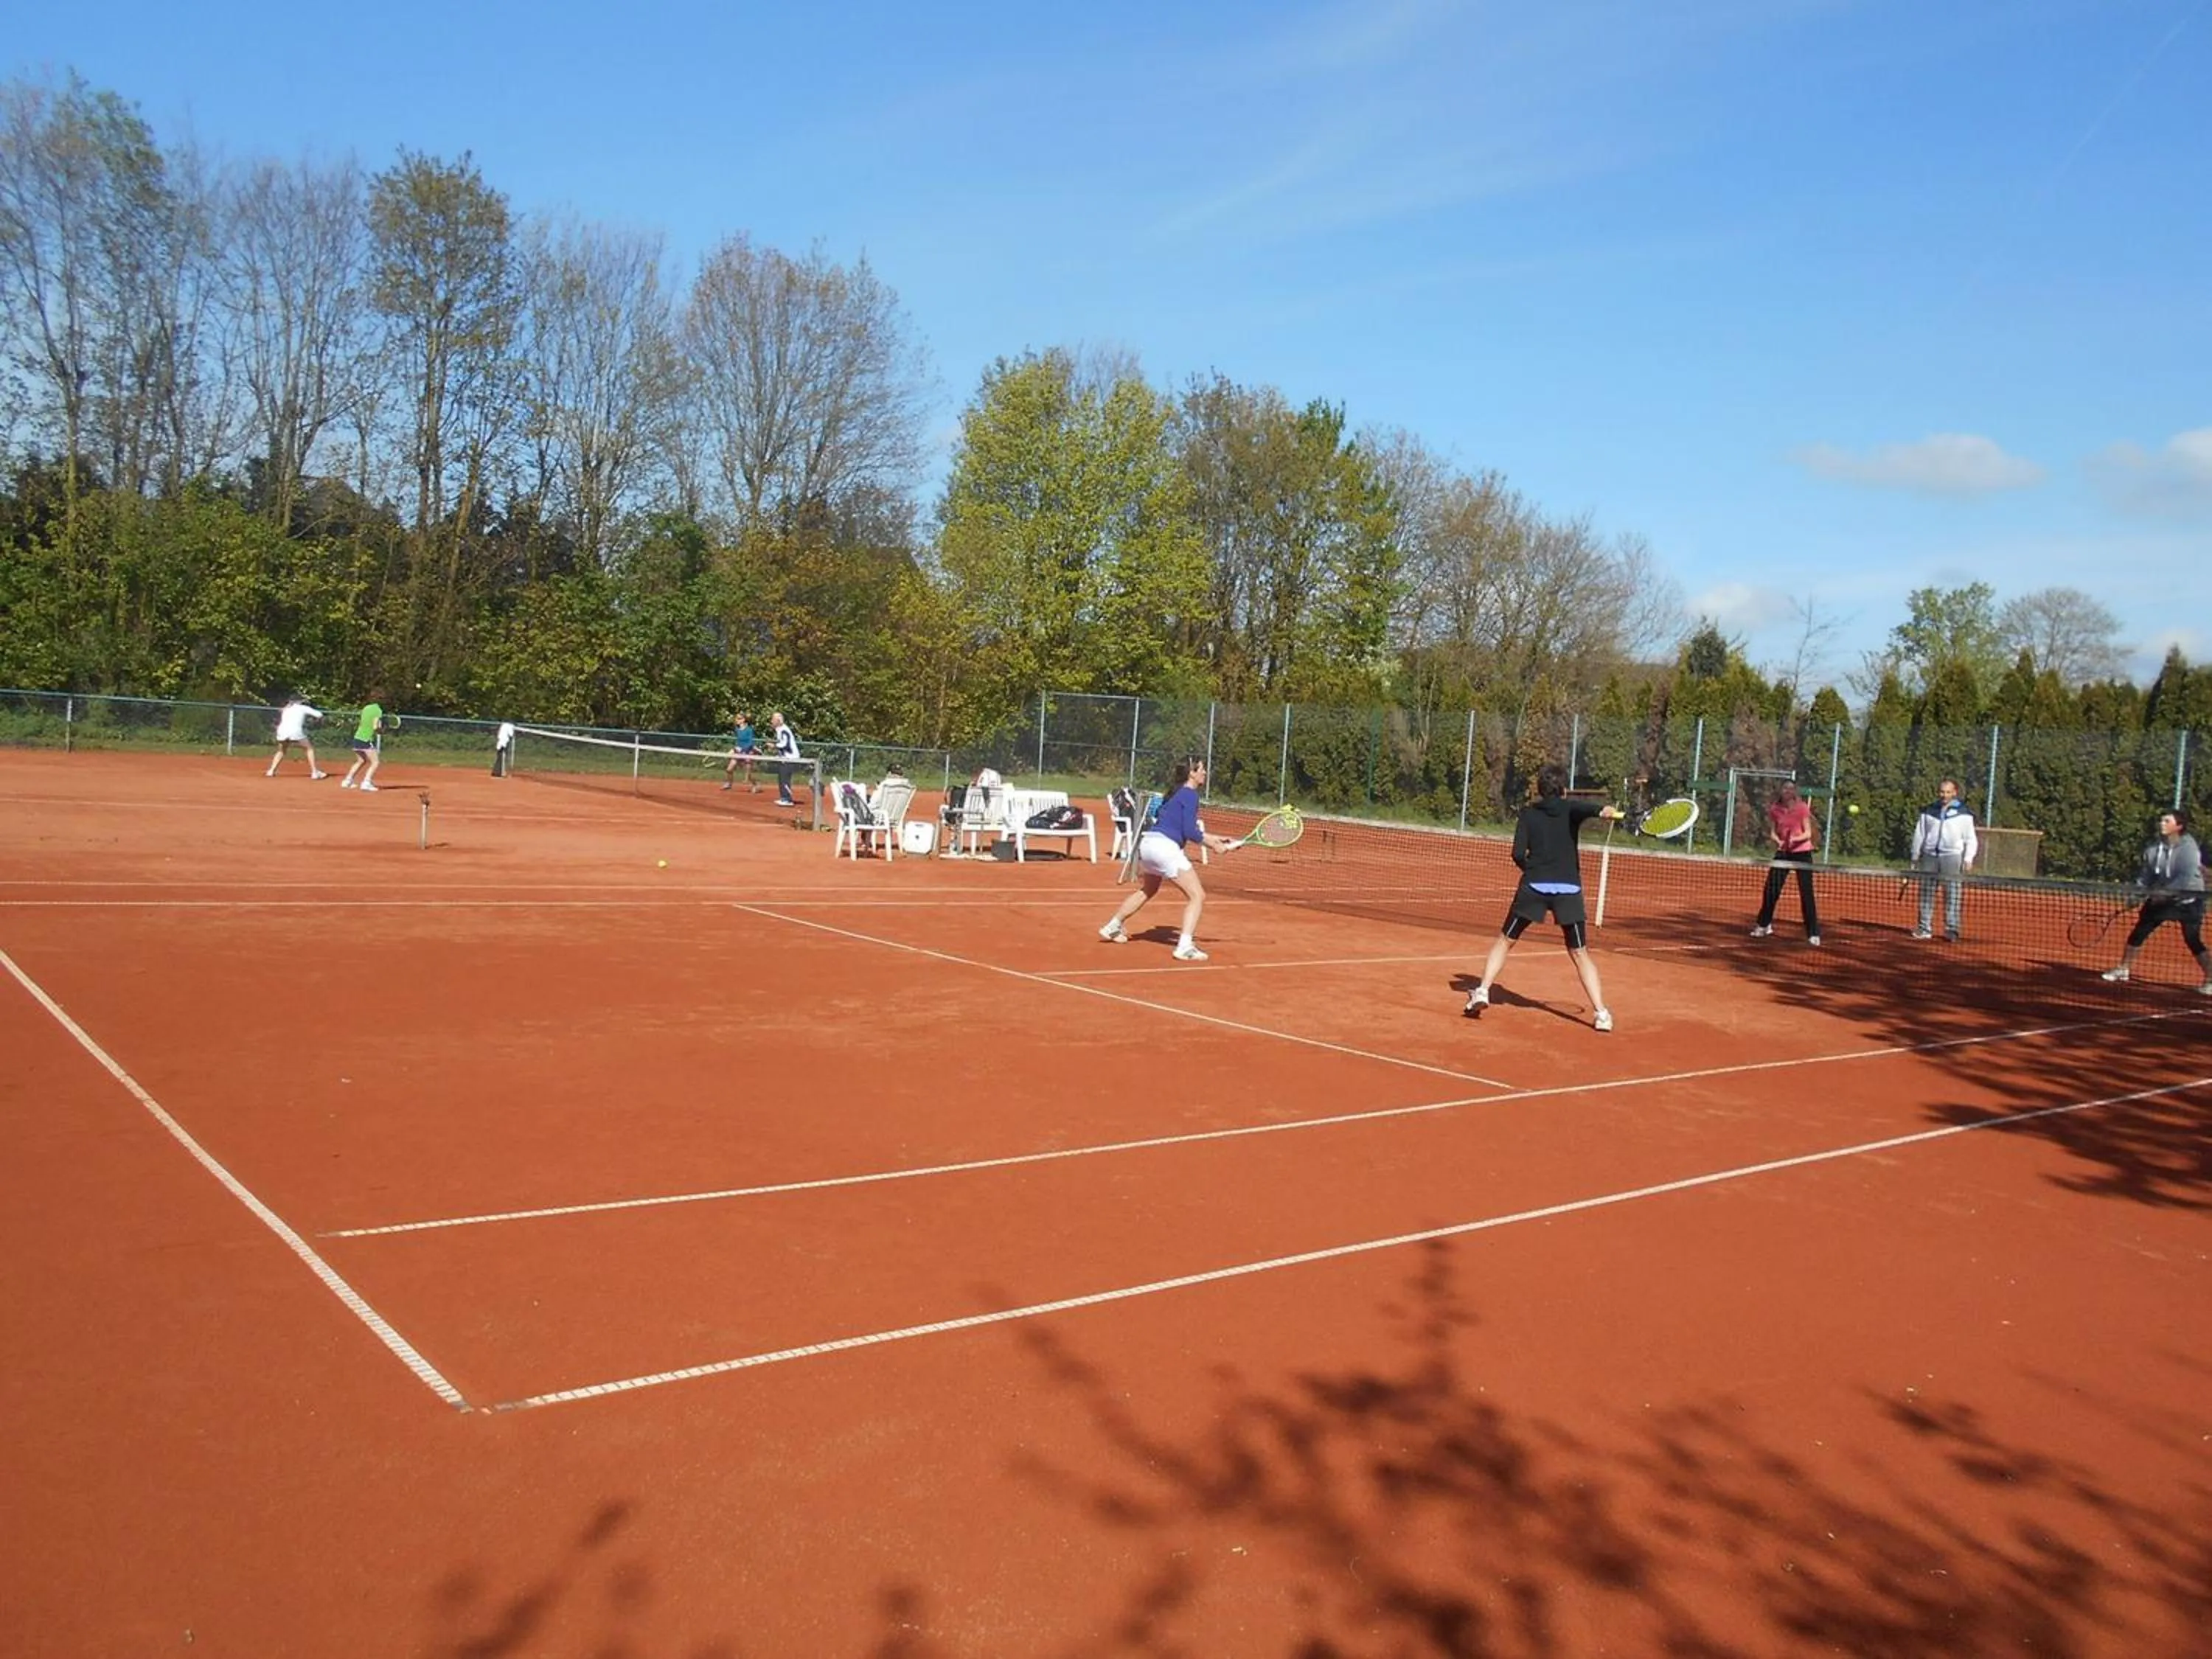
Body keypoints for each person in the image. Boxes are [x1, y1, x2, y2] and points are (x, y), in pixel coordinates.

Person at [1464, 764, 1623, 1032]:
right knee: (1580, 952)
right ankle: (1602, 1014)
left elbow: (1517, 854)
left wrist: (1533, 871)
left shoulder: (1528, 814)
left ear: (1540, 789)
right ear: (1562, 789)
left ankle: (1482, 991)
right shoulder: (1572, 808)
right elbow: (1597, 810)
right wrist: (1606, 811)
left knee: (1505, 940)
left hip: (1533, 887)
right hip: (1568, 891)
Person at [1099, 758, 1236, 961]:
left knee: (1148, 889)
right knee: (1197, 896)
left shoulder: (1175, 793)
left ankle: (1113, 926)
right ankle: (1185, 946)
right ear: (1192, 773)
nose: (1205, 773)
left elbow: (1183, 827)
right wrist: (1214, 846)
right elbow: (1189, 830)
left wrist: (1215, 839)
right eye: (1202, 769)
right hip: (1165, 849)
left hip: (1149, 846)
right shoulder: (1190, 795)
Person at [2101, 810, 2212, 995]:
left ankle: (2210, 979)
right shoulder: (2153, 850)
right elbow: (2146, 877)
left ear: (2179, 826)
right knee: (2139, 932)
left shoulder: (2189, 848)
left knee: (2192, 939)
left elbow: (2185, 878)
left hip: (2189, 899)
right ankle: (2123, 969)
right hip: (2161, 899)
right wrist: (2137, 896)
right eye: (2161, 820)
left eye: (2167, 821)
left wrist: (2164, 894)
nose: (2162, 823)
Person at [1749, 782, 1821, 946]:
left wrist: (1794, 839)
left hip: (1802, 853)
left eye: (1791, 789)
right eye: (1785, 788)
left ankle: (1813, 933)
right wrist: (1778, 841)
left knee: (1806, 893)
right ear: (1781, 791)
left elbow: (1808, 833)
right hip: (1783, 853)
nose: (1788, 791)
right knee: (1771, 890)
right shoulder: (1775, 809)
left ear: (1795, 792)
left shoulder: (1802, 808)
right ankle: (1764, 925)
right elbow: (1773, 832)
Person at [1909, 778, 1978, 941]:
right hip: (1930, 856)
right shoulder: (1928, 811)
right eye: (1942, 792)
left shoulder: (1964, 814)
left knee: (1952, 894)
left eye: (1948, 792)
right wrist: (1915, 855)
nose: (1944, 795)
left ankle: (1951, 930)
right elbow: (1920, 834)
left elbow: (1971, 838)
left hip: (1952, 857)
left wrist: (1968, 858)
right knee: (1926, 893)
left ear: (1955, 793)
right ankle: (1924, 928)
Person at [267, 698, 327, 779]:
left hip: (282, 731)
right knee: (309, 749)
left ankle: (271, 771)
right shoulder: (303, 708)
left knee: (281, 750)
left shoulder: (287, 709)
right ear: (300, 701)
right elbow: (319, 715)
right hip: (295, 731)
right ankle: (314, 772)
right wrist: (316, 721)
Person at [338, 698, 388, 792]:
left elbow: (365, 722)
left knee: (361, 761)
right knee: (375, 762)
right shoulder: (378, 710)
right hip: (366, 739)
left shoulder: (366, 708)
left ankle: (347, 781)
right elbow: (375, 727)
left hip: (357, 737)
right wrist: (381, 731)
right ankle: (366, 782)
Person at [769, 711, 801, 807]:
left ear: (778, 721)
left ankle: (787, 799)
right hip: (785, 758)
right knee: (782, 778)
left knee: (785, 779)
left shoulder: (784, 730)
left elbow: (785, 744)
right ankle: (784, 798)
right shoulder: (780, 730)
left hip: (790, 759)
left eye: (773, 719)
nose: (771, 722)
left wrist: (774, 746)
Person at [721, 712, 759, 792]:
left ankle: (755, 785)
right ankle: (729, 783)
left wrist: (743, 750)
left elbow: (750, 743)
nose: (736, 720)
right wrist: (735, 749)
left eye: (739, 719)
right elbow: (739, 742)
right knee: (729, 769)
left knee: (748, 774)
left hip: (748, 752)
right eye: (736, 718)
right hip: (738, 752)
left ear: (744, 720)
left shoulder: (749, 730)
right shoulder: (737, 729)